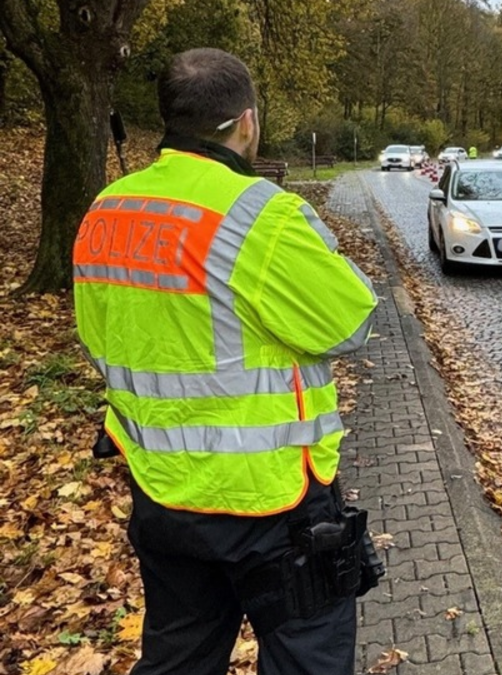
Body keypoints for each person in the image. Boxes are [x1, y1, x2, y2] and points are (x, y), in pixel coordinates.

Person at [72, 48, 379, 675]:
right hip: (273, 506)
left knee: (178, 659)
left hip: (163, 495)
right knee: (306, 659)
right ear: (246, 122)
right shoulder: (261, 216)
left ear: (170, 119)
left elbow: (98, 340)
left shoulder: (105, 211)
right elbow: (352, 321)